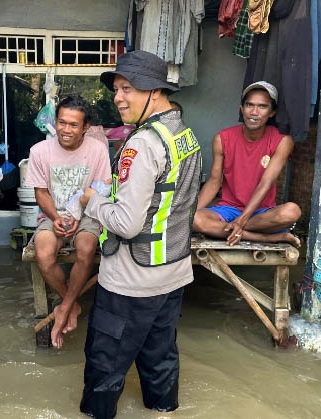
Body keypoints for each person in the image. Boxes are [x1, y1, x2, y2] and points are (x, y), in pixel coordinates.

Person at [79, 50, 202, 418]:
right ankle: (164, 411)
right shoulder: (184, 134)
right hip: (173, 273)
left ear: (154, 91)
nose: (118, 98)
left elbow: (127, 223)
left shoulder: (142, 143)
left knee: (104, 365)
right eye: (117, 89)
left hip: (131, 282)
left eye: (127, 89)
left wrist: (92, 202)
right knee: (160, 361)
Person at [24, 95, 111, 349]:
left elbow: (102, 189)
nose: (66, 130)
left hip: (87, 213)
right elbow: (41, 193)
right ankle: (69, 305)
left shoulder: (97, 150)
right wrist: (56, 217)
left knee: (86, 248)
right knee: (43, 253)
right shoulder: (39, 151)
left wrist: (77, 215)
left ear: (85, 127)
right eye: (62, 123)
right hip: (53, 213)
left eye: (74, 125)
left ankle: (64, 307)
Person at [192, 81, 301, 247]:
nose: (254, 112)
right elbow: (214, 182)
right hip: (228, 209)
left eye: (262, 106)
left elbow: (265, 183)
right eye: (249, 105)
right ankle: (266, 238)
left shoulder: (283, 140)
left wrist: (241, 221)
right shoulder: (222, 138)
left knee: (291, 211)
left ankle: (233, 230)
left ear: (272, 112)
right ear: (241, 108)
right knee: (195, 219)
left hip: (261, 213)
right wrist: (189, 217)